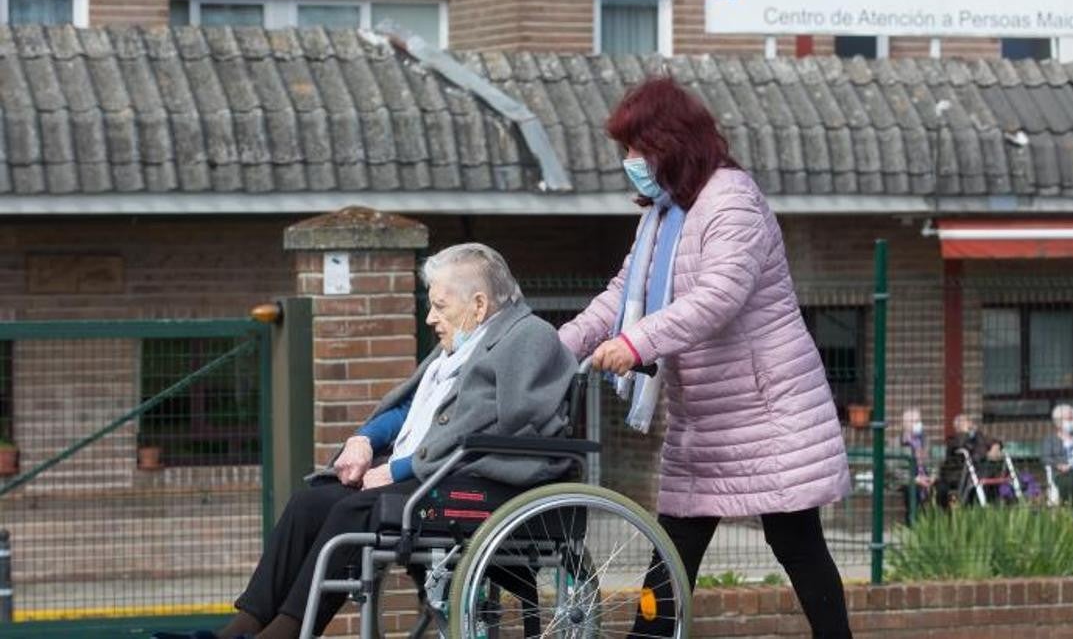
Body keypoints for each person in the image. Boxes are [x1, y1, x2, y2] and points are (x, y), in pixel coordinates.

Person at [558, 77, 853, 638]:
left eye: (634, 148)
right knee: (675, 545)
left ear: (669, 142)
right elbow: (623, 295)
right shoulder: (664, 216)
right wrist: (555, 348)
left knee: (794, 540)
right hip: (706, 415)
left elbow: (717, 297)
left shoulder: (732, 200)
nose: (628, 162)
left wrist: (635, 343)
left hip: (767, 410)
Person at [175, 244, 576, 639]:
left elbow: (500, 425)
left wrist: (401, 468)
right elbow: (413, 412)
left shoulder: (528, 336)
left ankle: (286, 631)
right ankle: (244, 624)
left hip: (488, 481)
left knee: (356, 509)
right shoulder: (459, 345)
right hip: (437, 472)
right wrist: (364, 439)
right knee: (310, 501)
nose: (430, 317)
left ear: (478, 303)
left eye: (440, 305)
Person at [936, 414, 1004, 506]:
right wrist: (986, 454)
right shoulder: (953, 441)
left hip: (981, 470)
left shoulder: (978, 436)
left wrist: (995, 447)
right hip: (960, 474)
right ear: (957, 426)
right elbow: (970, 453)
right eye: (966, 421)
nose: (970, 423)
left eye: (969, 420)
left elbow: (994, 441)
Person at [897, 408, 934, 521]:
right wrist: (914, 479)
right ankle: (913, 522)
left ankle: (937, 522)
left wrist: (933, 476)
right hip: (909, 478)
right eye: (914, 421)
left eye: (918, 421)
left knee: (942, 488)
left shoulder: (926, 441)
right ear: (905, 424)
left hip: (926, 476)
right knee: (914, 489)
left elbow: (934, 462)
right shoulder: (897, 442)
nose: (917, 424)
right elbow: (894, 469)